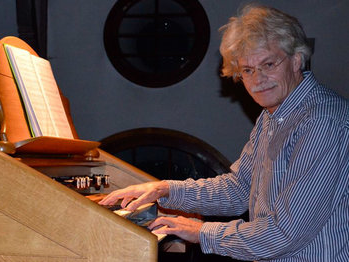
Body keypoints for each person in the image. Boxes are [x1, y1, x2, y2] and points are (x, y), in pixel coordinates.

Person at [99, 4, 349, 261]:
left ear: (297, 59)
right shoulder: (274, 115)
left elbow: (284, 234)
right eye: (248, 70)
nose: (258, 79)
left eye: (268, 64)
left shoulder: (322, 121)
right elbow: (239, 189)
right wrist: (165, 190)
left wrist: (202, 232)